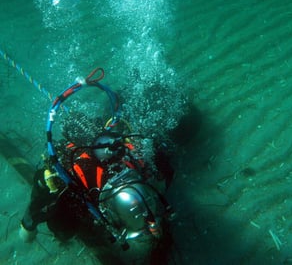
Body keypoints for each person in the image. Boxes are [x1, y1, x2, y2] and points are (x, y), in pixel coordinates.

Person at [19, 68, 176, 264]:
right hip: (82, 168)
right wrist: (28, 227)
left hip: (108, 152)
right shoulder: (72, 181)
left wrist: (27, 228)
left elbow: (158, 157)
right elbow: (41, 192)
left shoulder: (141, 164)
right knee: (62, 228)